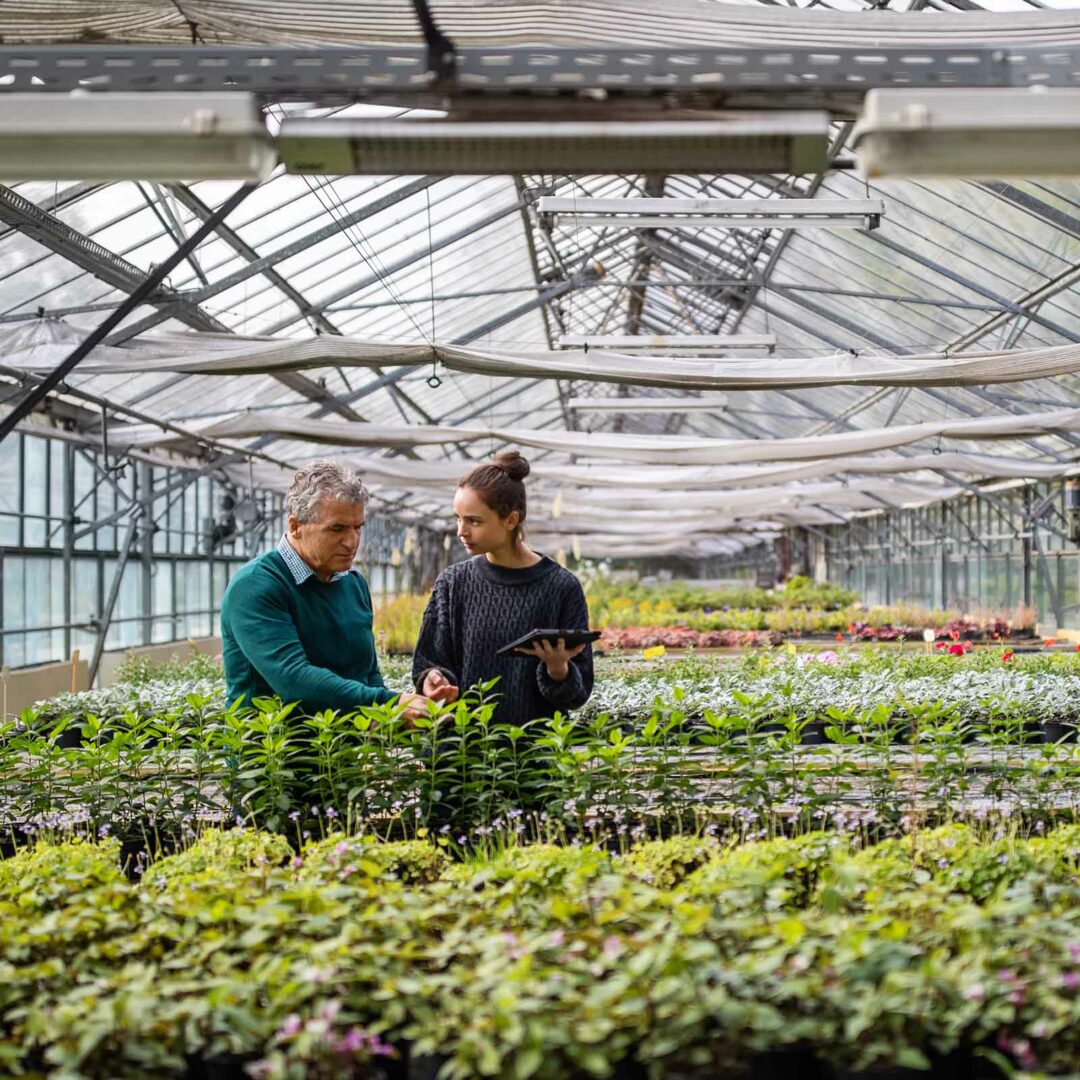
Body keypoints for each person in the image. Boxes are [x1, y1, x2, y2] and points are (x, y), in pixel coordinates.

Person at [221, 460, 428, 719]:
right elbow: (294, 679)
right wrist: (390, 703)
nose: (352, 541)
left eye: (358, 527)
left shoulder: (353, 583)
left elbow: (368, 671)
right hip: (272, 753)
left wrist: (385, 720)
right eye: (337, 528)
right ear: (296, 527)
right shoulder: (256, 585)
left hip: (342, 752)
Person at [412, 449, 594, 727]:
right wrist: (433, 680)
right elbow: (427, 662)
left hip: (531, 755)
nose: (461, 531)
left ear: (510, 520)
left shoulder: (560, 587)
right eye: (458, 518)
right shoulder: (452, 583)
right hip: (459, 754)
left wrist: (559, 669)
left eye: (474, 521)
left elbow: (577, 695)